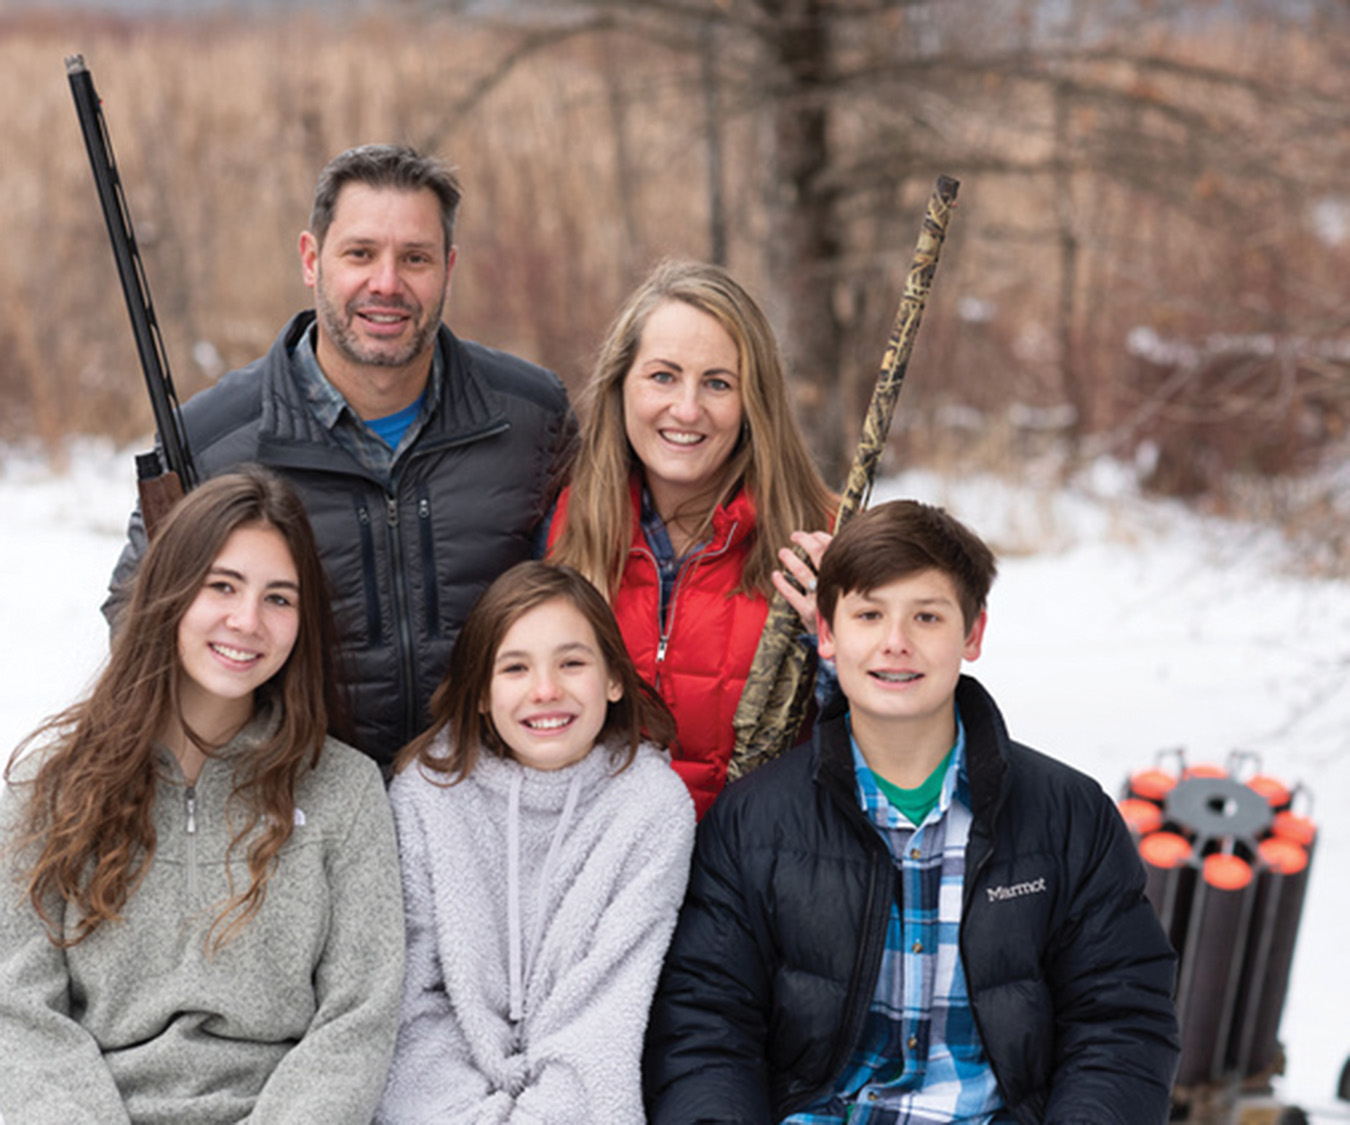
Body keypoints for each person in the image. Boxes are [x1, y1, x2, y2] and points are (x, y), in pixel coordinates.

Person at [644, 499, 1181, 1123]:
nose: (895, 644)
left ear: (972, 634)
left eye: (927, 617)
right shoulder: (753, 823)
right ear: (826, 632)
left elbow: (1120, 1023)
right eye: (869, 614)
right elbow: (706, 1027)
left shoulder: (1068, 815)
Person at [104, 144, 577, 773]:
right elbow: (136, 619)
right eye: (360, 254)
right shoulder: (211, 444)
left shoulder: (532, 417)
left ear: (449, 268)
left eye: (415, 258)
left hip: (486, 802)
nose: (387, 283)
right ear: (311, 259)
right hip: (294, 810)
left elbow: (593, 583)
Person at [1, 467, 404, 1124]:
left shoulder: (344, 789)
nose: (247, 621)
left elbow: (358, 1019)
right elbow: (15, 1014)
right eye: (223, 586)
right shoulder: (51, 784)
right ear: (171, 592)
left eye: (279, 598)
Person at [377, 560, 695, 1124]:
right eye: (515, 668)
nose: (546, 691)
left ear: (614, 679)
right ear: (479, 692)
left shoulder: (652, 807)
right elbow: (413, 1008)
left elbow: (604, 1023)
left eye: (572, 663)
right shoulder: (427, 796)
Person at [546, 259, 834, 817]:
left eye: (718, 384)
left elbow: (888, 744)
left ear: (754, 402)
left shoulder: (818, 541)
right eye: (663, 376)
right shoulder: (566, 524)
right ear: (620, 384)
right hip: (602, 878)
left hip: (758, 884)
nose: (686, 409)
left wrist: (842, 657)